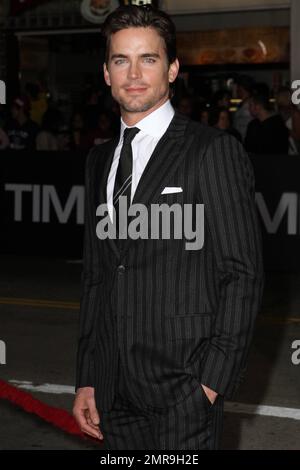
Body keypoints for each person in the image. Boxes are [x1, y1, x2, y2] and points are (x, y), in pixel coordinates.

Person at [73, 4, 264, 450]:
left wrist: (209, 385)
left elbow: (242, 273)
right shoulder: (99, 160)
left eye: (149, 59)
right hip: (113, 389)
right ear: (106, 72)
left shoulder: (211, 151)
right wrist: (88, 377)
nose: (134, 73)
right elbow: (97, 276)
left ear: (173, 69)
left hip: (184, 389)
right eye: (121, 60)